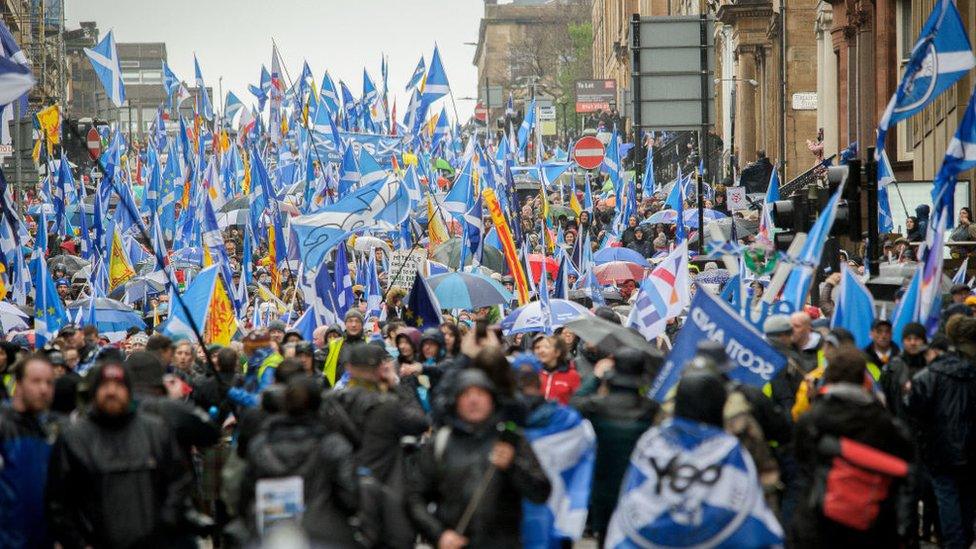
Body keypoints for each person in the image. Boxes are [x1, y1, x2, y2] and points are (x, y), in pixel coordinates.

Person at [46, 360, 195, 548]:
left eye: (118, 385)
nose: (111, 392)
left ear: (129, 391)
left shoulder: (155, 432)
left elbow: (178, 481)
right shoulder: (74, 439)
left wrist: (165, 524)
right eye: (105, 385)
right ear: (93, 391)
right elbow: (58, 502)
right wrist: (78, 543)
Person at [407, 369, 551, 548]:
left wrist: (513, 466)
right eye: (466, 394)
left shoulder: (510, 440)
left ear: (492, 399)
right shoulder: (440, 443)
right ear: (456, 401)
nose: (473, 400)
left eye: (480, 393)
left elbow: (541, 492)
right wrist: (439, 534)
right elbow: (414, 498)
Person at [792, 347, 913, 548]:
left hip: (820, 521)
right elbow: (904, 472)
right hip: (873, 524)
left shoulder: (812, 420)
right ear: (864, 380)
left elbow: (803, 462)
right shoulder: (884, 421)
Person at [322, 344, 430, 548]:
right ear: (381, 370)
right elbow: (420, 422)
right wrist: (396, 386)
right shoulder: (388, 404)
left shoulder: (330, 403)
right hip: (387, 492)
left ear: (349, 369)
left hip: (343, 492)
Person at [238, 377, 359, 545]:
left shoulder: (260, 444)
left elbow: (245, 495)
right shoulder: (333, 445)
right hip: (323, 535)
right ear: (319, 404)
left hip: (270, 535)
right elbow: (350, 496)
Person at [570, 348, 657, 546]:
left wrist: (595, 377)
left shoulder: (596, 406)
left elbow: (573, 404)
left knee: (605, 537)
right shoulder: (651, 409)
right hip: (636, 486)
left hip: (602, 486)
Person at [905, 316, 976, 549]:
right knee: (966, 495)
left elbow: (913, 408)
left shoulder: (928, 376)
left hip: (940, 448)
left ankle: (955, 543)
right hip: (969, 447)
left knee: (947, 497)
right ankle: (965, 540)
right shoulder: (971, 372)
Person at [0, 354, 56, 549]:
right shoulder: (3, 426)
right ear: (19, 383)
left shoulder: (51, 429)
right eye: (36, 381)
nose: (44, 389)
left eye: (49, 383)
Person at [880, 322, 927, 420]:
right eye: (908, 339)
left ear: (924, 341)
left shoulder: (931, 367)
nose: (912, 343)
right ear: (903, 341)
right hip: (900, 425)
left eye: (917, 339)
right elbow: (886, 398)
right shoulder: (892, 367)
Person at [228, 329, 283, 408]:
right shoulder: (255, 363)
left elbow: (262, 400)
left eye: (248, 348)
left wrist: (232, 392)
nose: (246, 352)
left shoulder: (271, 366)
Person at [323, 309, 368, 387]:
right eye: (350, 321)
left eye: (357, 321)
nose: (354, 324)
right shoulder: (334, 344)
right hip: (337, 393)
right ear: (345, 324)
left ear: (362, 324)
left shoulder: (370, 343)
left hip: (364, 392)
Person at [533, 335, 580, 405]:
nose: (541, 351)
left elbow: (577, 402)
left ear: (557, 352)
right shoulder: (534, 373)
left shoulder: (572, 375)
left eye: (547, 347)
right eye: (538, 347)